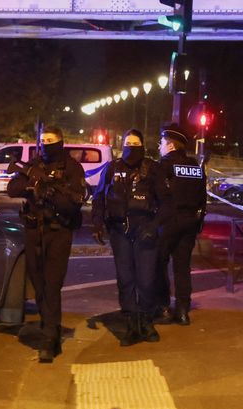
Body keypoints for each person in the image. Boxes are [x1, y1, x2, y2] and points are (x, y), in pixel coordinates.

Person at [6, 127, 86, 363]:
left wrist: (49, 192)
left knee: (52, 285)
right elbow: (13, 188)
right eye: (43, 141)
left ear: (61, 142)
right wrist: (33, 185)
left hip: (58, 233)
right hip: (34, 232)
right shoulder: (34, 165)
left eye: (50, 141)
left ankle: (49, 338)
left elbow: (73, 203)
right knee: (39, 285)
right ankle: (49, 324)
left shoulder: (72, 168)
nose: (46, 145)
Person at [91, 129, 160, 346]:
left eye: (135, 142)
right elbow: (99, 197)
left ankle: (147, 321)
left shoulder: (152, 169)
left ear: (142, 145)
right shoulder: (112, 168)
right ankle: (131, 323)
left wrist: (154, 226)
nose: (131, 146)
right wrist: (98, 223)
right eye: (127, 142)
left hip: (145, 230)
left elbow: (166, 202)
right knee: (126, 279)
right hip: (120, 231)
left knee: (147, 279)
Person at [153, 123, 207, 326]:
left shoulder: (163, 166)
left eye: (162, 142)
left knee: (159, 264)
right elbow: (202, 198)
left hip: (168, 222)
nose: (160, 146)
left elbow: (158, 195)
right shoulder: (194, 167)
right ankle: (183, 311)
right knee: (182, 267)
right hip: (190, 222)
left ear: (170, 145)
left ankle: (164, 307)